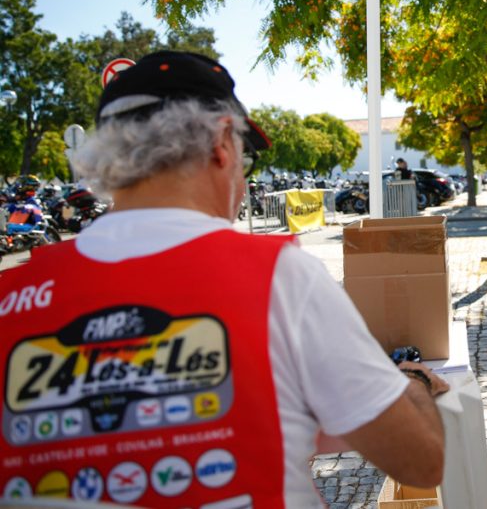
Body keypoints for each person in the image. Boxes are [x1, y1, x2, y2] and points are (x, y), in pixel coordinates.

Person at [0, 51, 447, 505]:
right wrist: (412, 385)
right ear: (221, 142)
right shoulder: (279, 275)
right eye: (245, 155)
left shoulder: (11, 296)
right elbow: (420, 460)